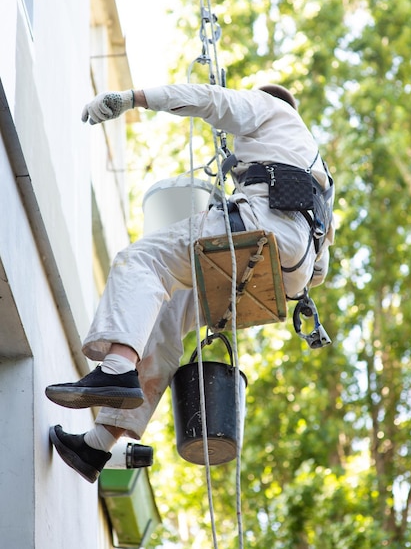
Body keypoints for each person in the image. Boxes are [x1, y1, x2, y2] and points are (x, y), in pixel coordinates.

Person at [46, 82, 335, 482]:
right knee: (163, 315)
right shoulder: (317, 171)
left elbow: (209, 99)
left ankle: (115, 369)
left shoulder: (269, 107)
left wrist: (131, 100)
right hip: (283, 274)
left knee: (141, 260)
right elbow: (318, 273)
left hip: (257, 230)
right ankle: (95, 446)